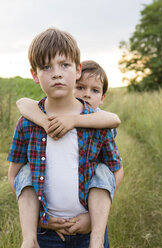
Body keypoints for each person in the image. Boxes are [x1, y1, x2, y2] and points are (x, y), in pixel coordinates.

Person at [7, 28, 123, 248]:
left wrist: (92, 219)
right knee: (25, 171)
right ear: (34, 74)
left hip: (88, 232)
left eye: (65, 65)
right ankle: (28, 240)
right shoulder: (28, 122)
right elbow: (16, 178)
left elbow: (113, 172)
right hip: (46, 233)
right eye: (46, 67)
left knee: (101, 170)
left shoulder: (96, 123)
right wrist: (43, 220)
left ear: (78, 70)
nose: (57, 73)